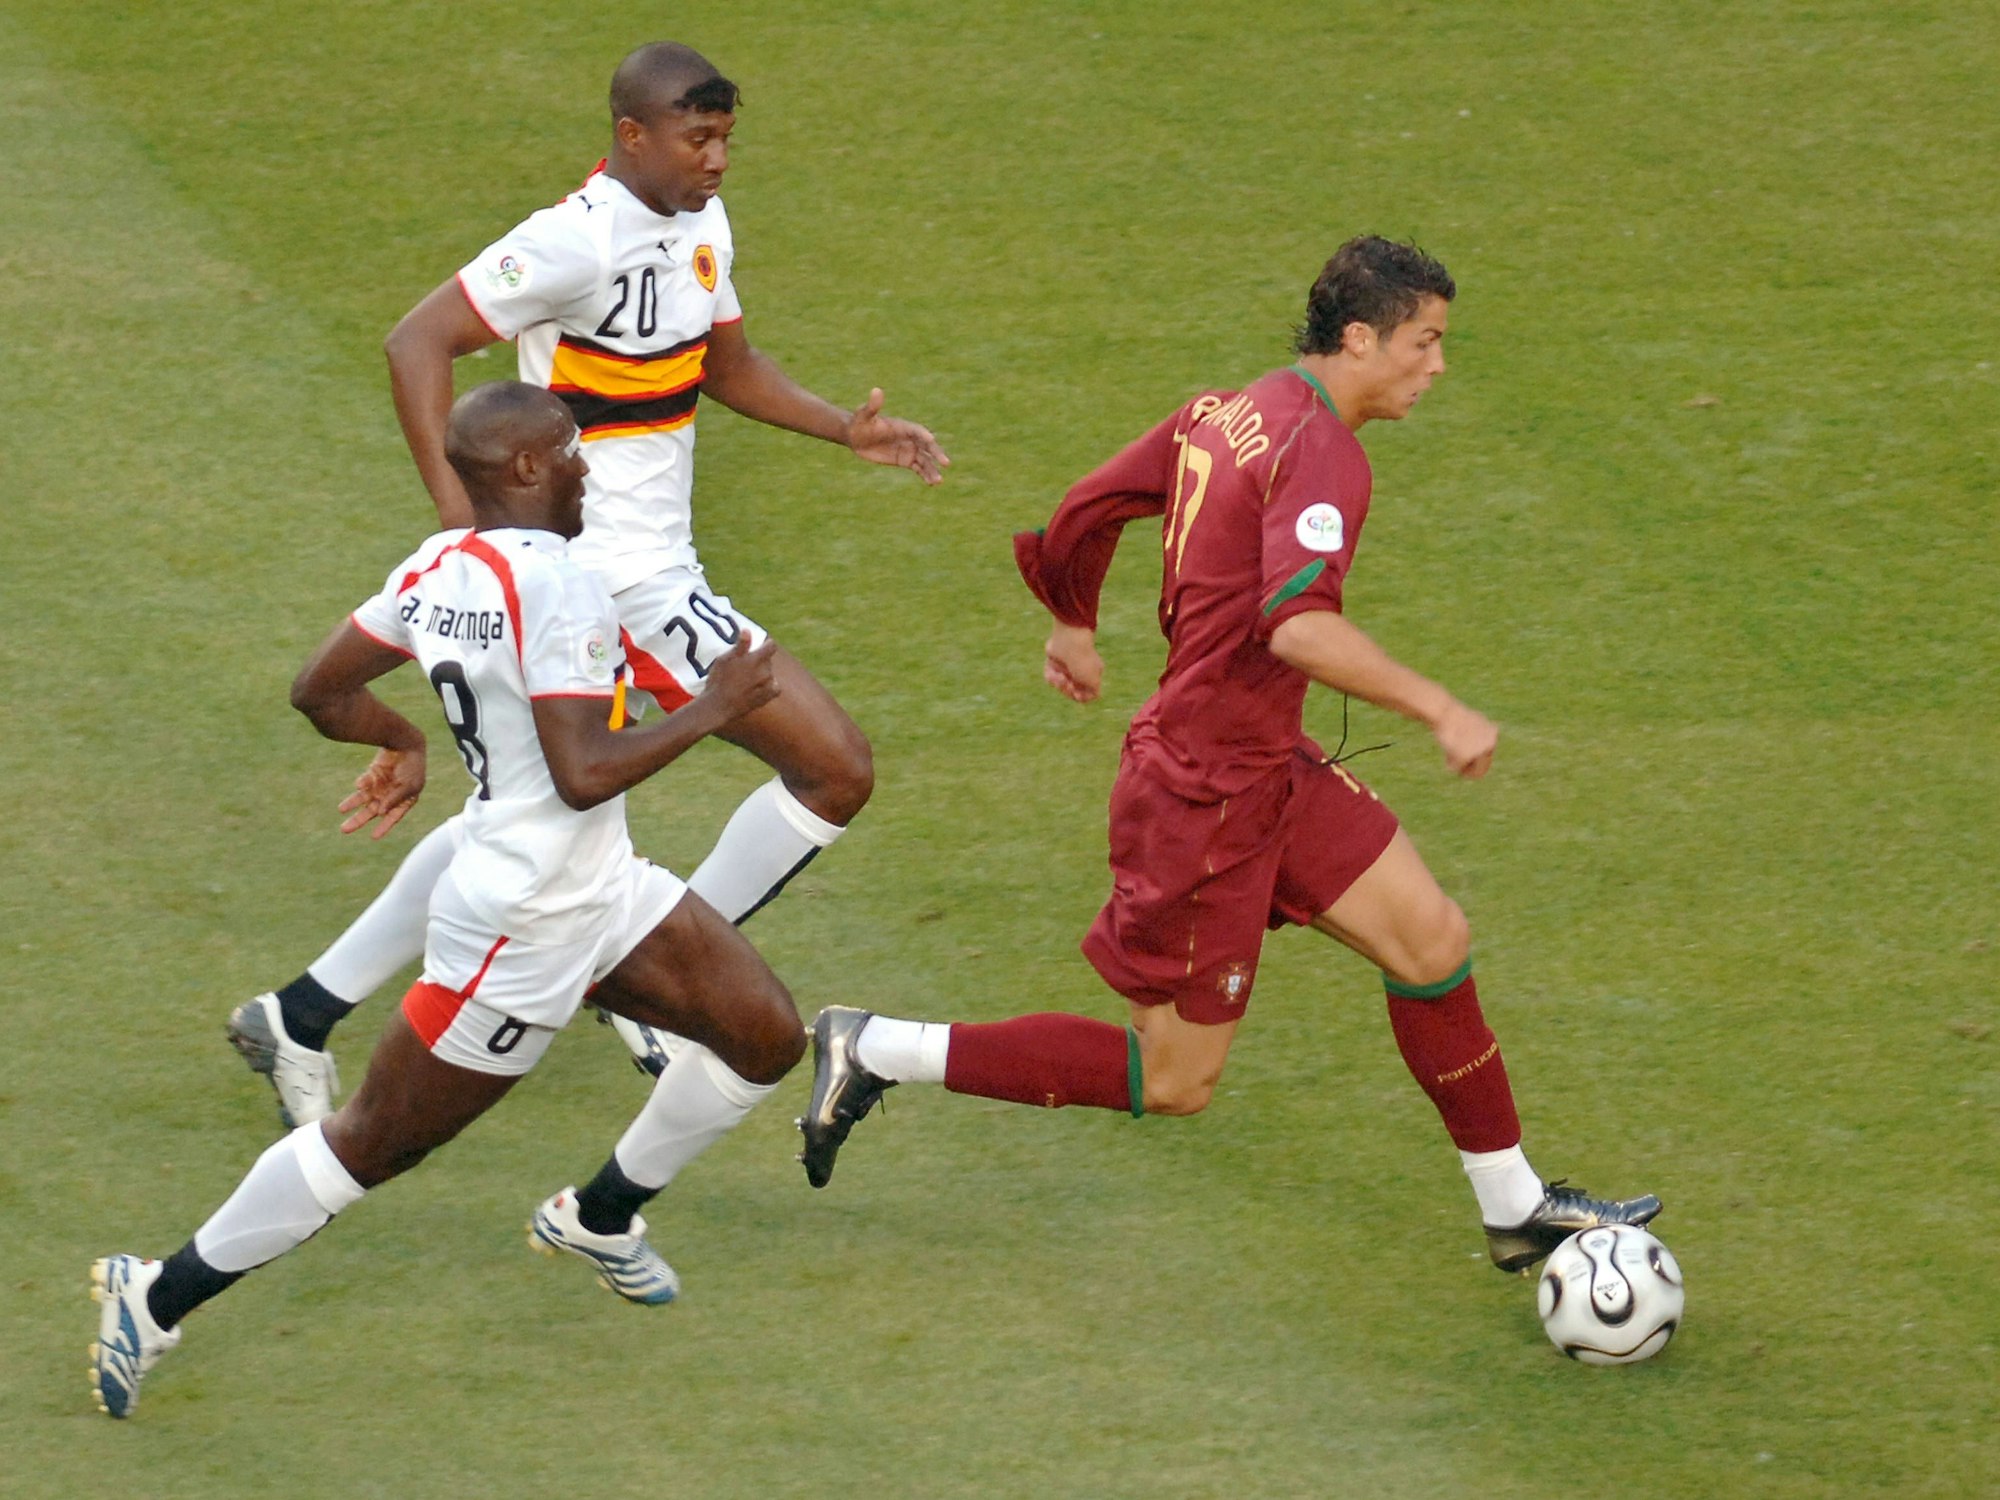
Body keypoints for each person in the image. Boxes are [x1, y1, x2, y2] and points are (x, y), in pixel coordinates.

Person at [795, 238, 1660, 1274]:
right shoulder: (1324, 452)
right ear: (1357, 338)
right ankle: (876, 1046)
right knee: (1174, 1080)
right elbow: (1295, 624)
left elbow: (1092, 498)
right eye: (1423, 343)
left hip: (1261, 765)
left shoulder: (1228, 407)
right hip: (1200, 798)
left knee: (1429, 941)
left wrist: (1071, 618)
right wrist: (1438, 708)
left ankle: (1513, 1206)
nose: (1436, 366)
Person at [225, 40, 949, 1126]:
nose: (715, 161)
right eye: (696, 139)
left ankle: (302, 1011)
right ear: (631, 135)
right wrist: (460, 517)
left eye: (724, 141)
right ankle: (651, 980)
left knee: (513, 816)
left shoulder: (698, 223)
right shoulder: (571, 241)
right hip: (608, 583)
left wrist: (841, 428)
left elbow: (723, 362)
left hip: (655, 570)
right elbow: (417, 339)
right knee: (832, 768)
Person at [91, 384, 809, 1419]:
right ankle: (153, 1295)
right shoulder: (560, 585)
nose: (585, 469)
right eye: (568, 453)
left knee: (764, 1037)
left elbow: (318, 689)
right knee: (373, 1143)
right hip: (518, 928)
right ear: (522, 469)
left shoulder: (435, 565)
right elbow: (582, 772)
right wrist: (711, 708)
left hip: (598, 888)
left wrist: (401, 741)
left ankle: (600, 1216)